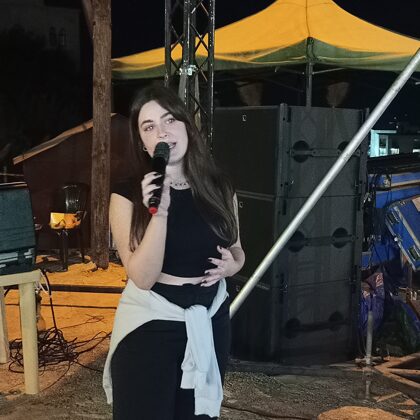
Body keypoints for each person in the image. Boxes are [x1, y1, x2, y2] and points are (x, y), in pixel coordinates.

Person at [102, 84, 245, 420]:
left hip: (210, 319)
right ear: (142, 142)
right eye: (149, 127)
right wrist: (160, 213)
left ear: (187, 126)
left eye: (169, 120)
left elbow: (238, 251)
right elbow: (142, 277)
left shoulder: (220, 187)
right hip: (151, 326)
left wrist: (231, 266)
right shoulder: (125, 195)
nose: (162, 132)